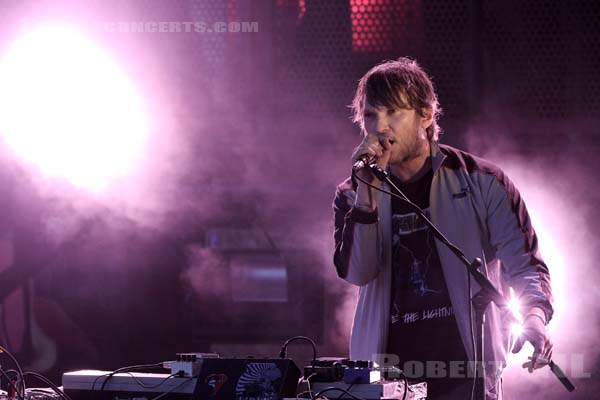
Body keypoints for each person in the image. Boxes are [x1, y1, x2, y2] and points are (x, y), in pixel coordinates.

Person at [332, 57, 553, 399]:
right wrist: (366, 196)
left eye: (394, 112)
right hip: (385, 380)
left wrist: (535, 317)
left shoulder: (483, 181)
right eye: (372, 115)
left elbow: (524, 265)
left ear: (426, 115)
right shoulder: (352, 193)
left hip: (467, 373)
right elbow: (358, 272)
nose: (381, 127)